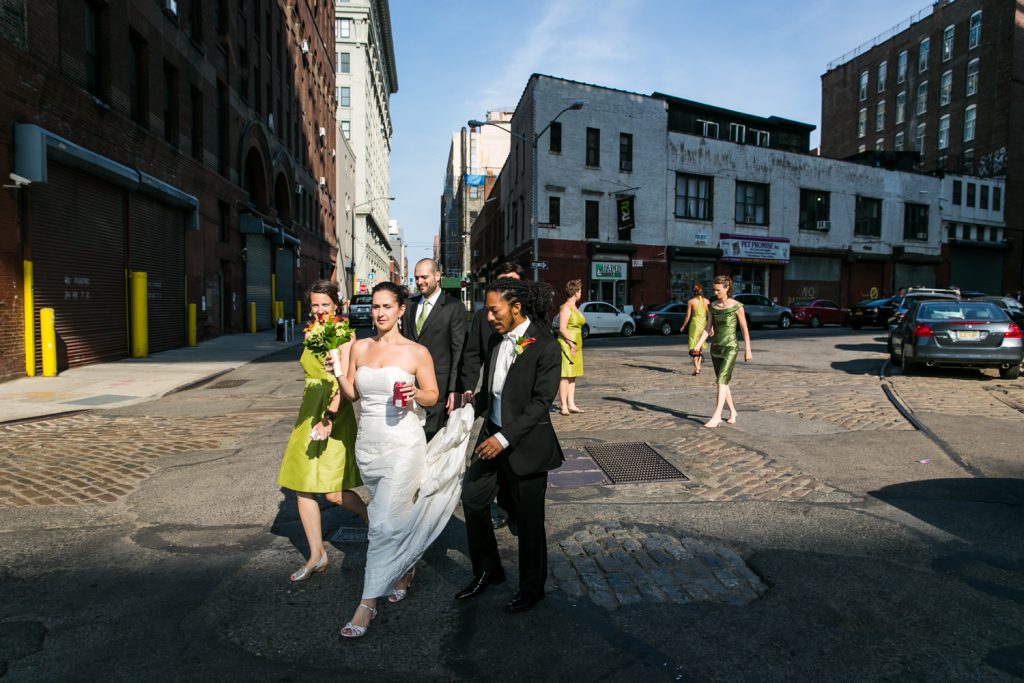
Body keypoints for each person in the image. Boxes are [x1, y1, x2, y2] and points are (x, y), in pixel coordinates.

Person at [333, 281, 475, 639]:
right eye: (375, 306)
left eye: (386, 306)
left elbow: (433, 395)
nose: (379, 313)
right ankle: (405, 568)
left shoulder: (416, 352)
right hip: (369, 446)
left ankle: (367, 604)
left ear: (401, 310)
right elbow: (352, 395)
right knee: (391, 517)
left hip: (403, 445)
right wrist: (336, 369)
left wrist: (415, 393)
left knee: (380, 524)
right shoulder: (360, 347)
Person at [456, 279, 563, 614]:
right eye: (486, 310)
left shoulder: (546, 346)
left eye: (494, 310)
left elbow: (541, 402)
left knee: (529, 522)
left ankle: (532, 589)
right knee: (472, 499)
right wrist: (464, 414)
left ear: (516, 308)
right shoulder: (495, 341)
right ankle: (488, 570)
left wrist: (503, 439)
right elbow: (491, 392)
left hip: (526, 445)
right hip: (492, 435)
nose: (488, 317)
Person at [276, 281, 367, 582]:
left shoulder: (345, 335)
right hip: (309, 410)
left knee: (332, 492)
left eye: (325, 304)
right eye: (315, 305)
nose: (319, 310)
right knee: (301, 484)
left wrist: (328, 417)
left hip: (334, 410)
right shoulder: (310, 332)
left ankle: (374, 522)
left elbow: (347, 382)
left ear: (336, 305)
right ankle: (317, 555)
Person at [457, 261, 524, 531]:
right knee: (482, 468)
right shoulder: (484, 318)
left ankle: (515, 512)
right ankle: (493, 510)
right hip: (493, 407)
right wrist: (468, 387)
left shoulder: (532, 318)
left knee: (516, 469)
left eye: (514, 281)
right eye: (503, 281)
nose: (508, 286)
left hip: (521, 412)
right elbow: (473, 355)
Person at [401, 258, 466, 441]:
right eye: (416, 278)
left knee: (432, 442)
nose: (419, 282)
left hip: (439, 389)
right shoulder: (409, 306)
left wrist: (454, 389)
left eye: (424, 277)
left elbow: (458, 350)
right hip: (409, 389)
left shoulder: (454, 307)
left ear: (437, 276)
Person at [704, 275, 752, 428]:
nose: (715, 292)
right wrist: (697, 346)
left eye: (718, 290)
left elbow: (744, 329)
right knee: (723, 382)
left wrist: (748, 350)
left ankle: (717, 415)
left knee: (721, 381)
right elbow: (708, 328)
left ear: (727, 288)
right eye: (714, 290)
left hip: (730, 347)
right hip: (716, 347)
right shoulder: (712, 306)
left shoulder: (737, 306)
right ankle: (733, 411)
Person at [556, 279, 585, 415]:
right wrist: (571, 344)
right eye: (580, 290)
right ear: (576, 292)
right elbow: (562, 328)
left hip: (576, 343)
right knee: (565, 375)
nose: (581, 293)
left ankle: (571, 404)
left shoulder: (574, 307)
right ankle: (564, 406)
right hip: (567, 344)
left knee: (573, 375)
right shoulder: (566, 307)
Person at [680, 283, 710, 376]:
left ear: (693, 291)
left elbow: (688, 316)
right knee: (699, 346)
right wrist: (711, 327)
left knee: (693, 346)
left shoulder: (691, 302)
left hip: (695, 324)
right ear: (701, 290)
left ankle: (696, 367)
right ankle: (699, 366)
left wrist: (683, 326)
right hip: (704, 324)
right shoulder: (707, 301)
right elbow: (710, 316)